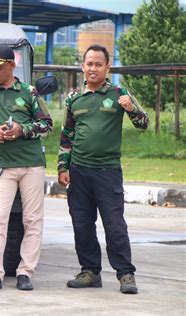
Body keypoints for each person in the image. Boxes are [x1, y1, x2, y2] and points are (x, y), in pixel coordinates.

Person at [57, 44, 149, 295]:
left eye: (99, 64)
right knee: (82, 224)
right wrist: (62, 167)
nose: (93, 68)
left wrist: (131, 108)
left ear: (107, 67)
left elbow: (144, 123)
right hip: (79, 171)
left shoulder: (119, 93)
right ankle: (89, 271)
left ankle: (126, 274)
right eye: (89, 64)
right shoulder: (74, 98)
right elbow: (67, 135)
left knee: (114, 224)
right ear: (83, 66)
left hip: (107, 172)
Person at [0, 45, 53, 291]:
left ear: (11, 66)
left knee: (32, 220)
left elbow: (47, 125)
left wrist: (22, 129)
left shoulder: (29, 92)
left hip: (31, 165)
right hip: (2, 166)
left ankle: (25, 272)